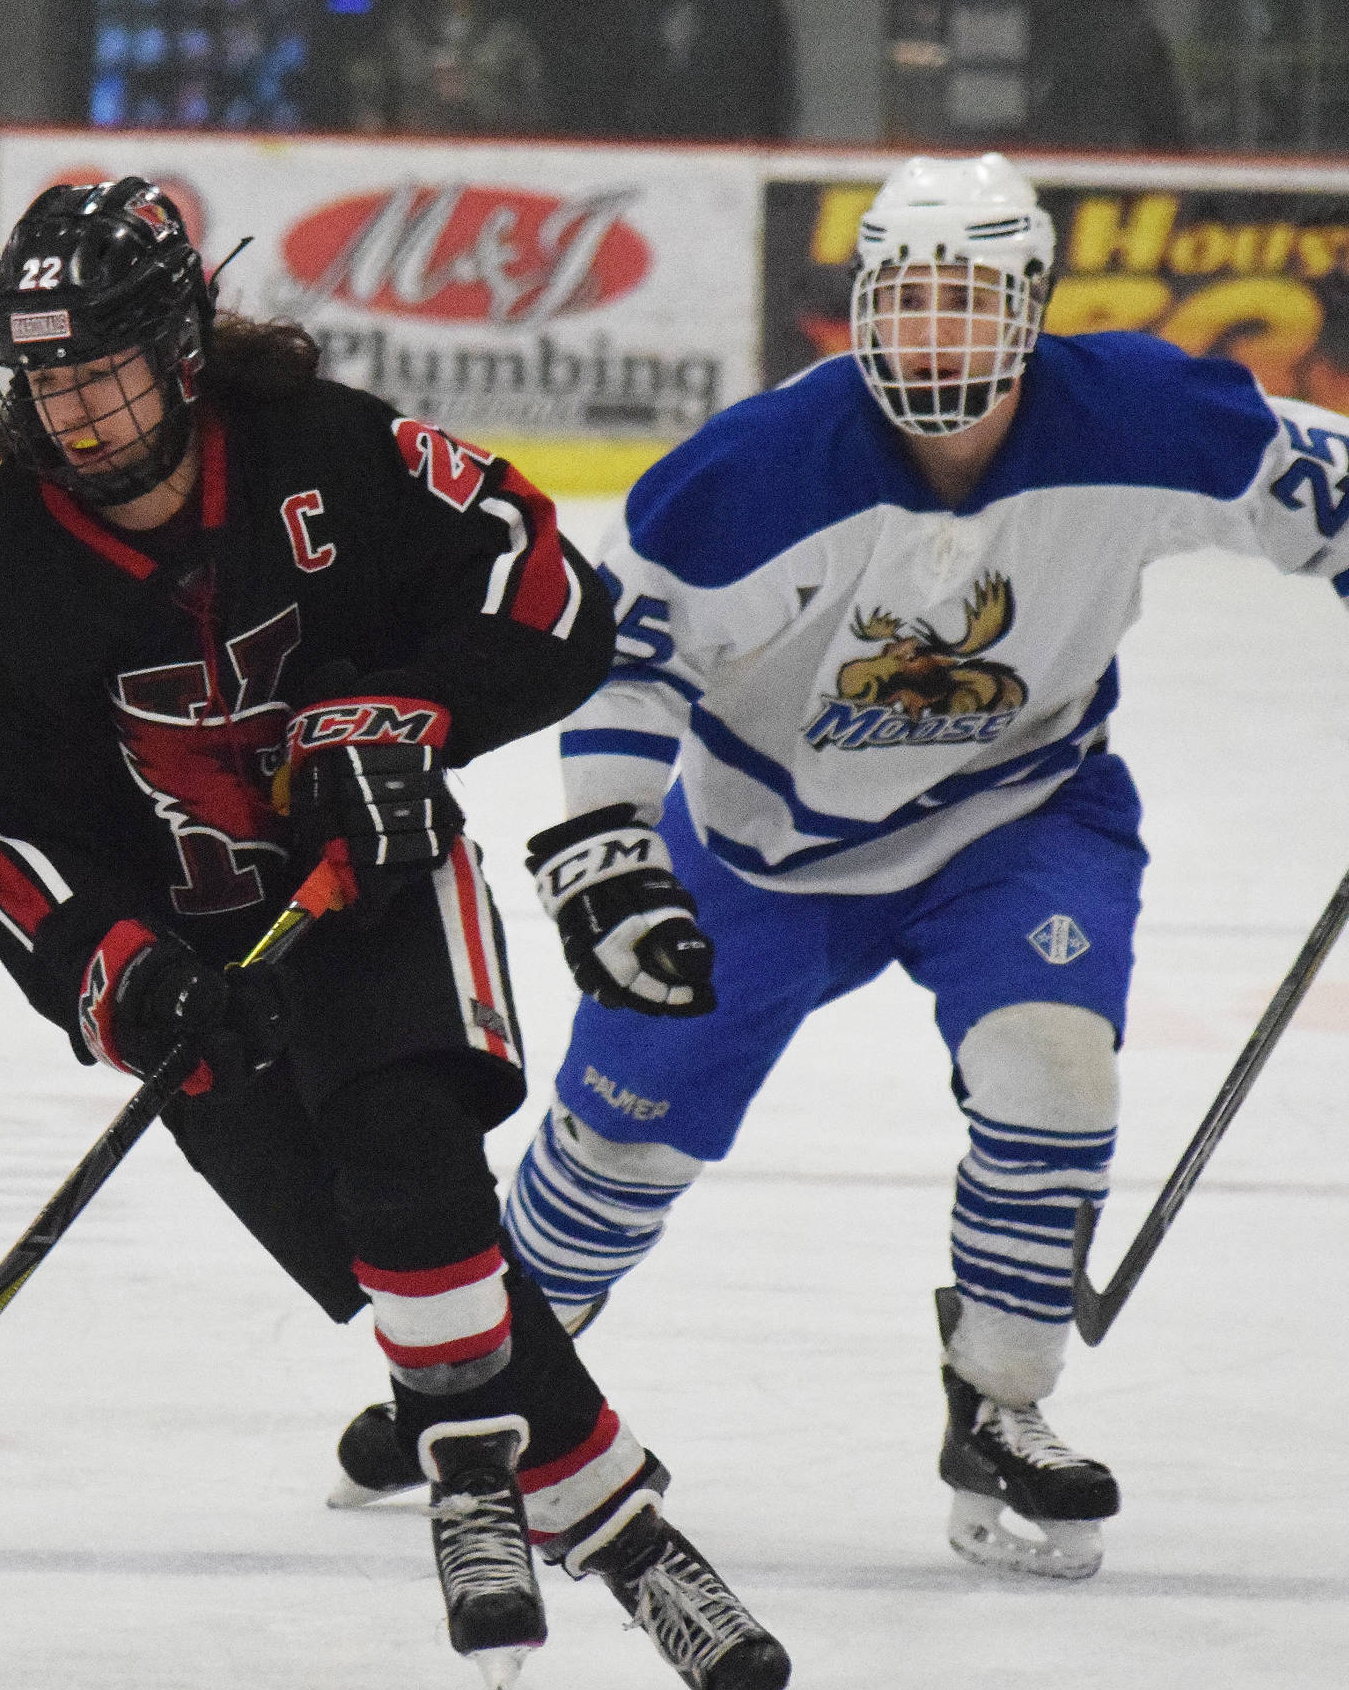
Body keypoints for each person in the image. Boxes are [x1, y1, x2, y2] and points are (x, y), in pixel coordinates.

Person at [330, 152, 1349, 1583]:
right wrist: (612, 848)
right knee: (620, 1149)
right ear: (864, 306)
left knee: (1054, 1073)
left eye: (969, 301)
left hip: (1019, 818)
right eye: (908, 299)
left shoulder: (1143, 415)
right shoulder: (748, 476)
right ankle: (482, 1379)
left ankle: (999, 1405)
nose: (934, 334)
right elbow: (628, 664)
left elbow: (1325, 487)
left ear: (1032, 307)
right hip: (759, 849)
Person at [0, 177, 792, 1690]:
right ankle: (633, 1534)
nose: (76, 410)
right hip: (194, 968)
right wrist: (120, 972)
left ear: (182, 350)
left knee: (409, 1151)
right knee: (395, 1265)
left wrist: (417, 710)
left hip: (365, 890)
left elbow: (546, 589)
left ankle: (477, 1479)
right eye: (46, 378)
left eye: (101, 368)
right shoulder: (1, 565)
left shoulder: (333, 453)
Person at [588, 0, 794, 142]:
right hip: (641, 157)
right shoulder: (628, 6)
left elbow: (773, 107)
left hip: (727, 161)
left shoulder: (755, 9)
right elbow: (608, 91)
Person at [346, 0, 550, 136]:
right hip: (415, 144)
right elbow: (369, 73)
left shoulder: (507, 36)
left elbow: (534, 105)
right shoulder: (407, 29)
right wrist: (371, 112)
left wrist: (472, 91)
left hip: (488, 150)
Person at [1025, 0, 1186, 151]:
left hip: (1078, 159)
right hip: (1115, 160)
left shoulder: (1065, 30)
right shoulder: (1138, 36)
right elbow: (1169, 127)